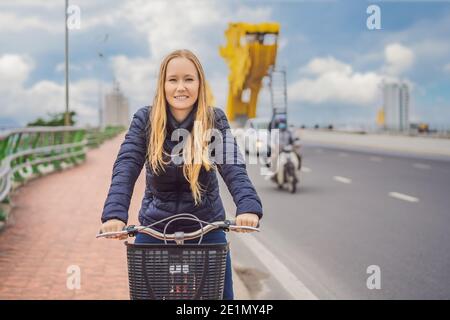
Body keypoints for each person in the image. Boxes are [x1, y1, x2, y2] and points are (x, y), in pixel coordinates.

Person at [99, 49, 263, 300]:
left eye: (189, 79)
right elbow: (126, 164)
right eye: (173, 79)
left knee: (223, 298)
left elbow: (233, 167)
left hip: (206, 227)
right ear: (162, 84)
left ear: (200, 84)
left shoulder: (213, 119)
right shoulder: (146, 119)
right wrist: (114, 214)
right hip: (155, 226)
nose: (181, 87)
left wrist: (248, 207)